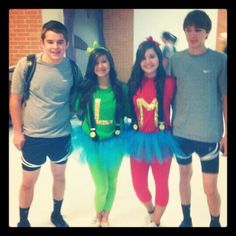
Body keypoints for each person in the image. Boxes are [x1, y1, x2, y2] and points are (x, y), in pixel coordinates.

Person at [9, 20, 82, 227]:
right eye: (50, 42)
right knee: (28, 181)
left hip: (61, 136)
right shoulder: (27, 64)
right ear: (42, 42)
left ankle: (56, 214)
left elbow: (77, 99)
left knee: (59, 177)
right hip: (33, 136)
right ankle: (23, 220)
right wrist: (17, 132)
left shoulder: (72, 68)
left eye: (60, 42)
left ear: (66, 44)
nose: (55, 47)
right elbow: (15, 98)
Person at [169, 10, 227, 227]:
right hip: (181, 133)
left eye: (198, 30)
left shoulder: (220, 60)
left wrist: (227, 134)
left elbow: (225, 98)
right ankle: (186, 219)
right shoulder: (175, 60)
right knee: (184, 178)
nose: (192, 34)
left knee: (210, 188)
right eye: (188, 29)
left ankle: (215, 220)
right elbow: (167, 94)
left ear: (207, 32)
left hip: (209, 135)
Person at [126, 36, 183, 227]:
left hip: (162, 140)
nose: (148, 61)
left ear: (159, 58)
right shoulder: (134, 83)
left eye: (152, 56)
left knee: (161, 184)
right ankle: (151, 210)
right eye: (143, 57)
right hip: (138, 139)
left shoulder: (170, 82)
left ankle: (156, 221)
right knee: (139, 185)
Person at [72, 41, 128, 227]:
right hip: (92, 141)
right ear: (91, 67)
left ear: (110, 63)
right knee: (101, 185)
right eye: (96, 63)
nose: (100, 66)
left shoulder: (120, 88)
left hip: (115, 142)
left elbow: (130, 112)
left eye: (104, 61)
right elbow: (76, 108)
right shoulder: (86, 89)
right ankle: (98, 215)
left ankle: (106, 216)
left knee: (112, 182)